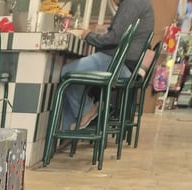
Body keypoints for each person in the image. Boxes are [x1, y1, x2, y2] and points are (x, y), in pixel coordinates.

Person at [60, 0, 154, 130]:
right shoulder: (139, 3)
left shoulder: (131, 3)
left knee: (66, 73)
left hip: (119, 64)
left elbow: (114, 38)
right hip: (125, 64)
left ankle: (87, 111)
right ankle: (68, 130)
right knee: (72, 79)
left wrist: (87, 35)